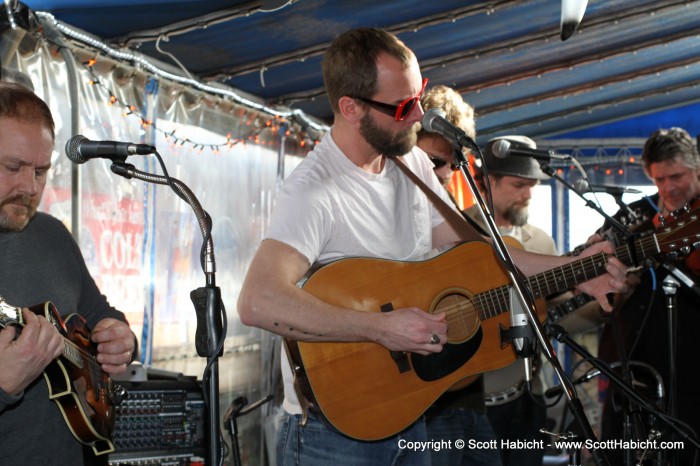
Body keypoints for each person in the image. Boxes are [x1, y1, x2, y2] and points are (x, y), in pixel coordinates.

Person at [236, 27, 627, 466]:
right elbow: (259, 301)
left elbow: (485, 254)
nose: (419, 114)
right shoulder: (314, 191)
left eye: (418, 95)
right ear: (351, 108)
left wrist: (573, 268)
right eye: (403, 106)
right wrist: (382, 328)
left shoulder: (413, 163)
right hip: (336, 431)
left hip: (408, 409)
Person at [0, 81, 137, 466]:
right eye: (13, 167)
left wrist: (121, 339)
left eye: (41, 171)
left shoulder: (52, 235)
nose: (29, 187)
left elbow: (99, 314)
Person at [599, 127, 700, 466]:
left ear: (697, 168)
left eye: (677, 176)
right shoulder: (635, 218)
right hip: (640, 365)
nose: (668, 188)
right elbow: (592, 268)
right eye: (659, 179)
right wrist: (620, 288)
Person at [417, 85, 501, 466]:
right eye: (435, 161)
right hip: (417, 405)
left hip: (468, 393)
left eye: (454, 162)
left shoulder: (464, 226)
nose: (447, 173)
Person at [464, 135, 556, 466]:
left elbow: (554, 317)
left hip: (526, 397)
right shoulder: (454, 232)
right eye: (519, 184)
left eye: (532, 185)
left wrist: (605, 306)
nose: (528, 194)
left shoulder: (541, 242)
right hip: (467, 404)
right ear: (485, 182)